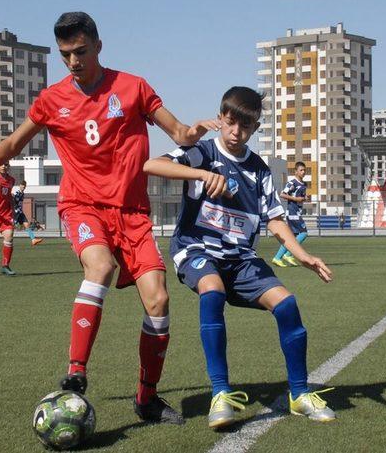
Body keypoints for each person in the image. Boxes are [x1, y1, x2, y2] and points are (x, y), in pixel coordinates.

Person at [0, 12, 220, 424]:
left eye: (80, 51)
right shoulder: (52, 100)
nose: (73, 61)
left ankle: (146, 399)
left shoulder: (132, 88)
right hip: (83, 205)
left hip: (131, 212)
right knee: (100, 266)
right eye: (65, 55)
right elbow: (11, 147)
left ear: (98, 46)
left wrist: (192, 132)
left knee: (159, 300)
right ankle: (76, 372)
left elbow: (177, 133)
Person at [143, 86, 335, 429]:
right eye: (230, 123)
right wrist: (201, 175)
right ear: (221, 119)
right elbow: (152, 164)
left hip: (241, 258)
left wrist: (302, 255)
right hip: (197, 249)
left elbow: (275, 219)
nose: (236, 132)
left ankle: (299, 394)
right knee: (212, 290)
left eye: (245, 127)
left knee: (288, 305)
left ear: (255, 129)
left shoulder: (259, 170)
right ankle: (220, 394)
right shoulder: (202, 153)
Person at [272, 161, 310, 267]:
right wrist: (295, 198)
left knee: (291, 237)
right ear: (296, 171)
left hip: (297, 211)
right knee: (303, 233)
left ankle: (278, 257)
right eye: (301, 170)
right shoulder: (292, 182)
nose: (303, 172)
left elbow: (301, 197)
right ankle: (288, 254)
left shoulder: (303, 184)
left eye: (304, 170)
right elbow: (282, 194)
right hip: (292, 212)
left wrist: (304, 198)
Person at [13, 180, 44, 246]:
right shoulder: (17, 193)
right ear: (20, 186)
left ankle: (33, 240)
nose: (23, 188)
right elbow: (14, 201)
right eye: (22, 186)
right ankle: (7, 239)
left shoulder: (22, 193)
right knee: (11, 227)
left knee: (27, 225)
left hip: (20, 212)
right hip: (16, 213)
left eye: (24, 187)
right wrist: (13, 197)